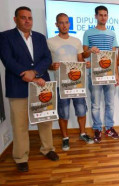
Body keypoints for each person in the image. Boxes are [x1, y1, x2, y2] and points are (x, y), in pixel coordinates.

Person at [0, 6, 59, 172]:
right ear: (15, 19)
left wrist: (35, 72)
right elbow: (7, 60)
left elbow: (47, 58)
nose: (27, 21)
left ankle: (48, 149)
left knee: (45, 120)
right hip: (18, 86)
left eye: (30, 18)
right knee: (20, 124)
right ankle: (21, 157)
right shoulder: (5, 37)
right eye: (23, 17)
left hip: (41, 85)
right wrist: (26, 74)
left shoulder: (40, 37)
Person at [47, 13, 94, 151]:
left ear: (69, 24)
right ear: (56, 24)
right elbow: (47, 63)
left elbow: (80, 60)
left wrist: (85, 64)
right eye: (61, 23)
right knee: (64, 112)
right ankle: (65, 138)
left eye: (66, 22)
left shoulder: (76, 41)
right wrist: (51, 66)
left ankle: (83, 133)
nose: (64, 25)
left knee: (81, 110)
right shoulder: (50, 42)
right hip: (61, 84)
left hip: (77, 83)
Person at [83, 5, 119, 143]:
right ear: (96, 16)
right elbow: (84, 53)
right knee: (96, 105)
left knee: (110, 104)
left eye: (105, 15)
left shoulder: (112, 34)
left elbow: (114, 56)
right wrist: (90, 51)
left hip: (109, 75)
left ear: (107, 17)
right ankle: (97, 128)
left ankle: (109, 127)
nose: (103, 17)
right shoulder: (88, 33)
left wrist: (116, 74)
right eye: (100, 15)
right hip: (95, 75)